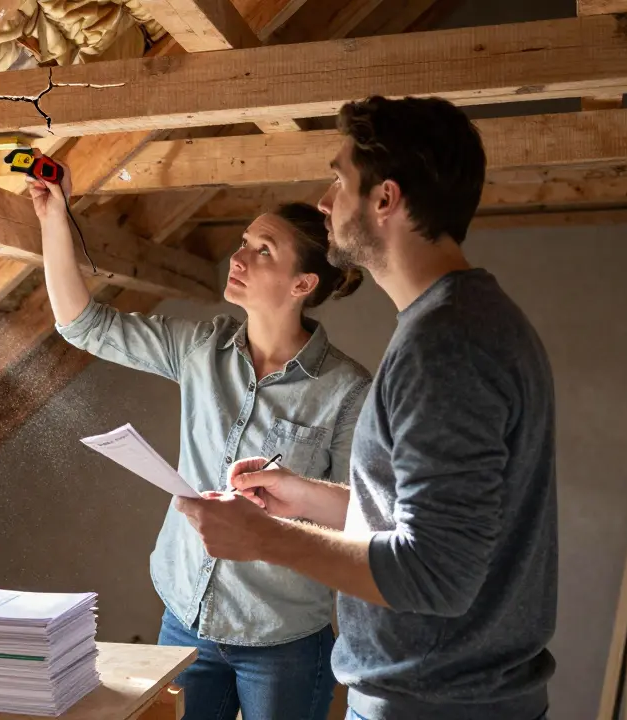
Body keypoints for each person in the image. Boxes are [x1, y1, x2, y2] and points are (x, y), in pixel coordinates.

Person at [174, 95, 558, 720]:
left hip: (432, 706)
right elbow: (433, 524)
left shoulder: (447, 346)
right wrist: (308, 499)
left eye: (339, 179)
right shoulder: (459, 323)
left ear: (385, 200)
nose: (325, 202)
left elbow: (435, 573)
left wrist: (267, 539)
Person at [27, 158, 372, 720]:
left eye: (263, 250)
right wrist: (54, 217)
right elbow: (82, 324)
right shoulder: (200, 348)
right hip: (183, 618)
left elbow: (364, 518)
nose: (238, 257)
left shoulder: (347, 390)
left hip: (282, 639)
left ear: (302, 284)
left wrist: (288, 503)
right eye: (243, 242)